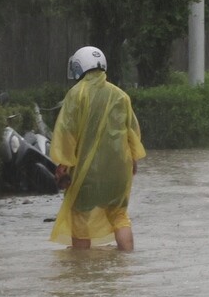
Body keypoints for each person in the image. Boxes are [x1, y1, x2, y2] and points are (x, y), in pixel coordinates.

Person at [49, 46, 146, 251]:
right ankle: (127, 260)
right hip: (119, 170)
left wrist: (63, 166)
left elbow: (66, 133)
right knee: (119, 215)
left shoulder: (76, 94)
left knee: (80, 216)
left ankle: (83, 269)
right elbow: (132, 132)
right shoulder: (121, 95)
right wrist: (133, 161)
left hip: (87, 173)